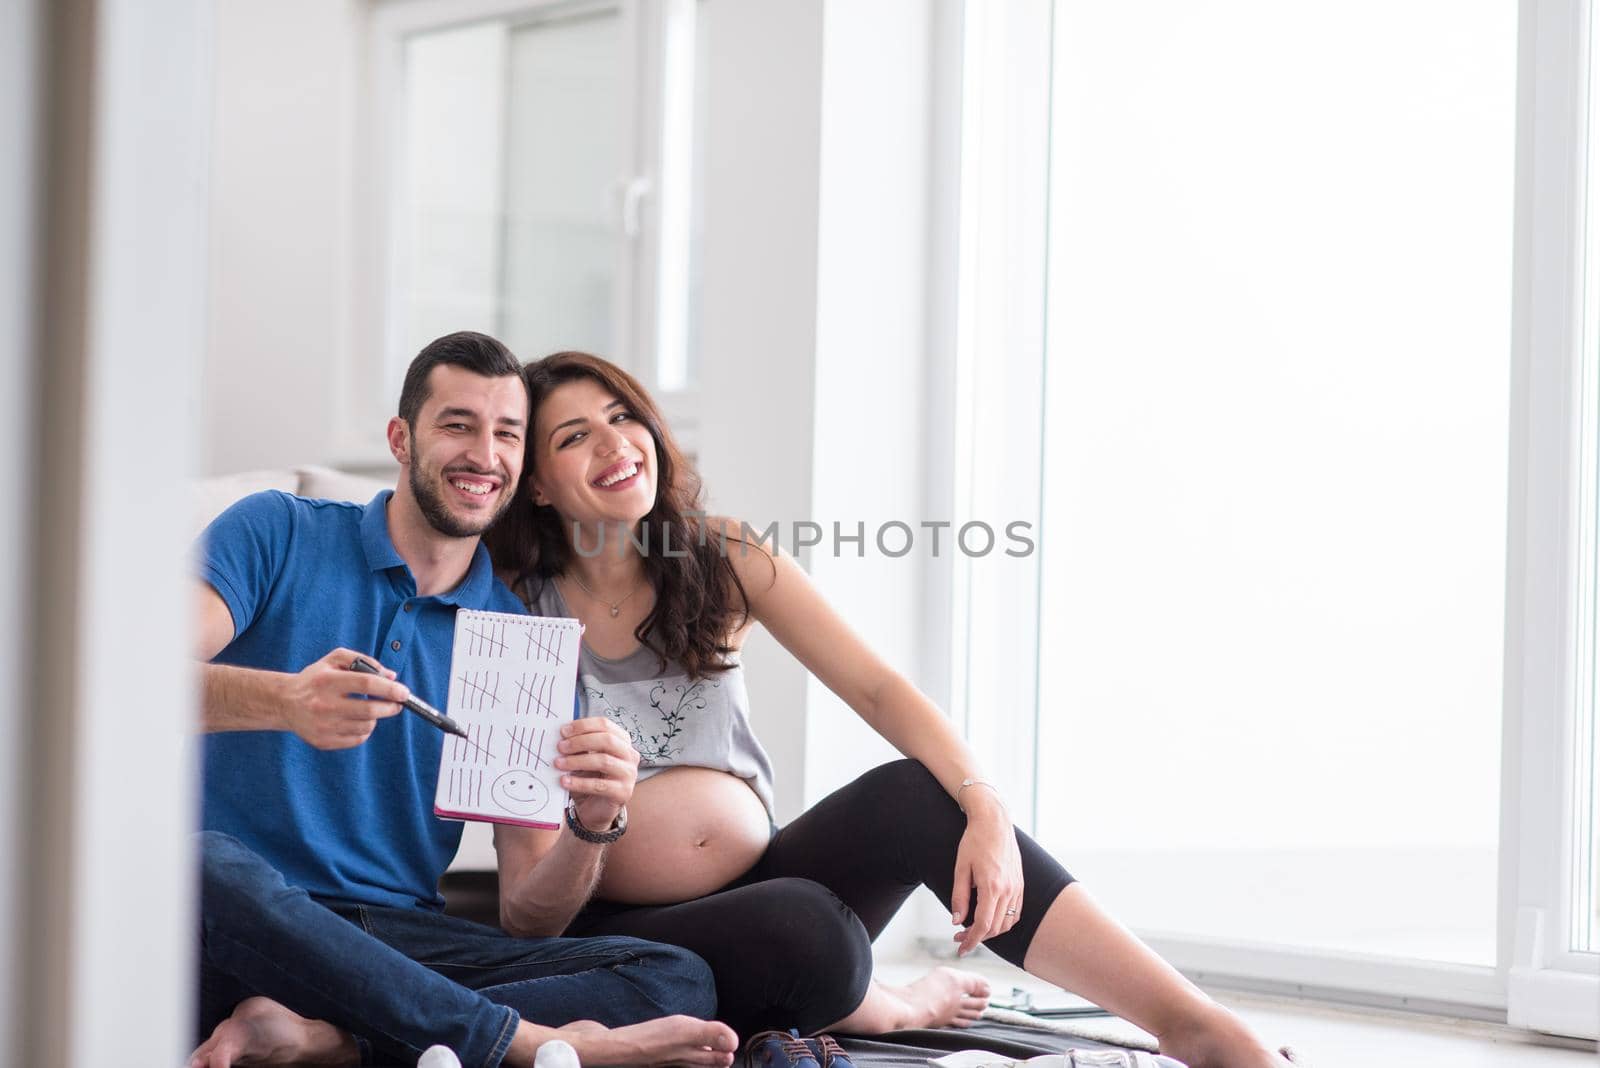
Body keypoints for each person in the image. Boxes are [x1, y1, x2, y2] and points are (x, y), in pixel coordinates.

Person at [483, 351, 1301, 1068]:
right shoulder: (514, 616)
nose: (614, 442)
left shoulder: (722, 557)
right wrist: (596, 822)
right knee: (809, 932)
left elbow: (877, 688)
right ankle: (893, 1005)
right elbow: (526, 914)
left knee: (916, 794)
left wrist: (984, 807)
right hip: (625, 932)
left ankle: (1191, 1022)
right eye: (573, 436)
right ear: (541, 488)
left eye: (623, 416)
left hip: (766, 879)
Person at [191, 332, 737, 1068]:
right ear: (400, 438)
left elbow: (527, 914)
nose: (484, 454)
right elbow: (127, 682)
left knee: (673, 977)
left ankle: (330, 1040)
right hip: (237, 922)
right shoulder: (277, 531)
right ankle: (518, 1045)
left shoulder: (517, 637)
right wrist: (286, 701)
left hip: (394, 937)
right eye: (457, 425)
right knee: (197, 863)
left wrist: (592, 824)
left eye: (507, 433)